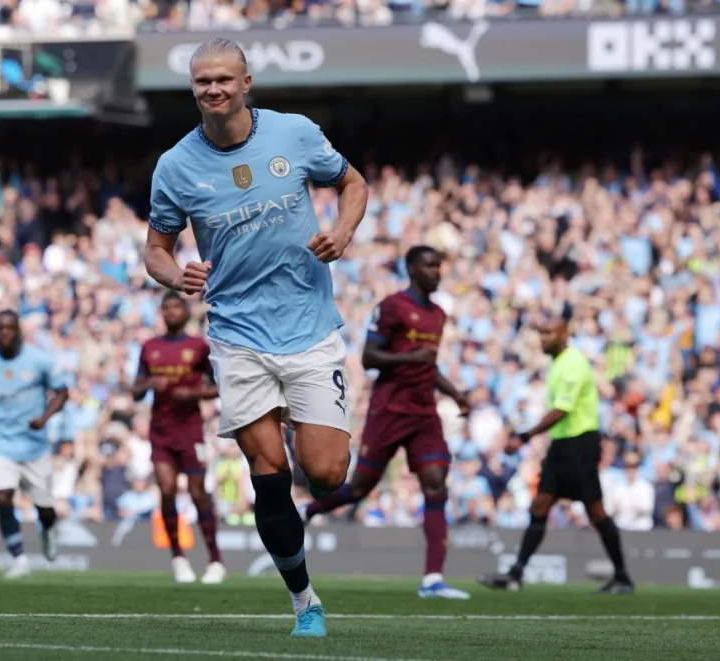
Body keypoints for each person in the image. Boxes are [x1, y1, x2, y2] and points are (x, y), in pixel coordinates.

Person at [144, 37, 368, 637]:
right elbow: (156, 251)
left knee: (325, 474)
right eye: (201, 83)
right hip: (237, 334)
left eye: (222, 79)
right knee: (267, 472)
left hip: (309, 328)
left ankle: (307, 425)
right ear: (193, 90)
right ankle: (305, 603)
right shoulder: (176, 166)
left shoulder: (293, 134)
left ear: (246, 83)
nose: (212, 90)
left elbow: (354, 184)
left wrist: (343, 232)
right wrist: (175, 276)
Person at [305, 245, 473, 600]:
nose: (437, 272)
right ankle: (309, 510)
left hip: (424, 412)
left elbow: (428, 365)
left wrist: (455, 393)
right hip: (390, 409)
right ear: (411, 268)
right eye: (430, 266)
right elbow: (369, 356)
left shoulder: (439, 314)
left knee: (436, 483)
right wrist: (409, 358)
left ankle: (432, 580)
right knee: (359, 489)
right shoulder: (393, 306)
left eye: (440, 266)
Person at [478, 306, 634, 594]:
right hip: (563, 446)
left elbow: (562, 409)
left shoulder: (573, 364)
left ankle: (623, 576)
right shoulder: (559, 363)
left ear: (565, 335)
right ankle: (516, 574)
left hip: (580, 446)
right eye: (541, 333)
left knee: (596, 512)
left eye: (549, 333)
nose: (543, 338)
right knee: (540, 506)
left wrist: (524, 437)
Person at [0, 310, 69, 579]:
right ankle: (19, 559)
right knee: (2, 497)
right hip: (3, 443)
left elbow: (62, 392)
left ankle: (48, 529)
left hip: (35, 447)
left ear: (18, 331)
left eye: (9, 328)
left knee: (44, 509)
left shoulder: (39, 360)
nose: (4, 333)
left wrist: (44, 418)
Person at [133, 291, 225, 585]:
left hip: (191, 431)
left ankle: (214, 559)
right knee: (168, 489)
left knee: (198, 493)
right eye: (166, 308)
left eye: (176, 307)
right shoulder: (150, 348)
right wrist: (148, 382)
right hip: (160, 432)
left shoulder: (198, 347)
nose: (171, 312)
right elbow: (135, 391)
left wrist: (194, 394)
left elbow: (221, 385)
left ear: (185, 312)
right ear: (161, 313)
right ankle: (178, 557)